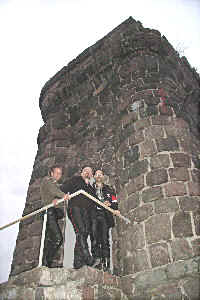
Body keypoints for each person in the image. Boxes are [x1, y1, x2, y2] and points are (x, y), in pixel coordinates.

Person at [61, 166, 100, 269]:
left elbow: (96, 201)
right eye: (85, 171)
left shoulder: (91, 188)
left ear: (91, 175)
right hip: (75, 209)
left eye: (90, 172)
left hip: (86, 212)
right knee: (81, 231)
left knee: (83, 234)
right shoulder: (75, 180)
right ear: (81, 172)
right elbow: (63, 188)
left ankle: (78, 263)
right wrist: (61, 195)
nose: (87, 172)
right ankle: (88, 259)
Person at [90, 169, 120, 272]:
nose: (98, 176)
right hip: (93, 215)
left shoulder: (110, 189)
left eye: (100, 174)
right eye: (96, 174)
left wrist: (112, 206)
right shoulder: (89, 189)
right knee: (94, 237)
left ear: (103, 176)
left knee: (104, 239)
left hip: (104, 215)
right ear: (94, 177)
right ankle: (97, 260)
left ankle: (106, 263)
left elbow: (115, 201)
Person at [40, 165, 70, 268]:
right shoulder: (47, 180)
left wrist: (55, 201)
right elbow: (53, 190)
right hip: (48, 212)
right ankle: (46, 264)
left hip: (53, 212)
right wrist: (63, 196)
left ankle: (46, 264)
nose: (58, 175)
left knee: (50, 239)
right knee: (58, 238)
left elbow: (55, 196)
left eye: (60, 173)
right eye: (56, 173)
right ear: (51, 173)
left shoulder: (55, 185)